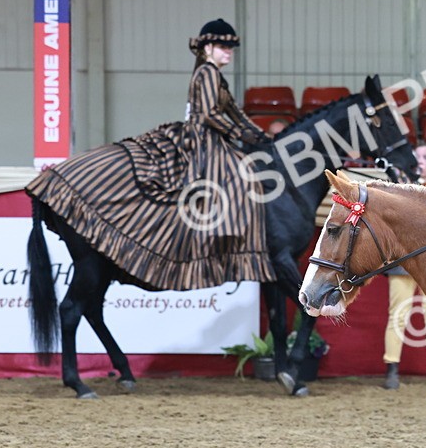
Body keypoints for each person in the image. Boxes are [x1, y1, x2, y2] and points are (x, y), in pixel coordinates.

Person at [26, 18, 273, 289]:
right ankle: (219, 238)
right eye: (222, 46)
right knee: (237, 174)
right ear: (207, 48)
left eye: (230, 48)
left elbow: (235, 113)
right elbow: (210, 114)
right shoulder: (207, 73)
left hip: (210, 135)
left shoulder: (215, 75)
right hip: (203, 139)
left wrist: (262, 136)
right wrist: (243, 135)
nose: (228, 52)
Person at [383, 143, 426, 394]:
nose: (420, 161)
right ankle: (391, 368)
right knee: (397, 316)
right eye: (417, 157)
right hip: (402, 264)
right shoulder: (401, 190)